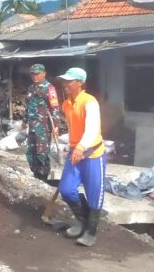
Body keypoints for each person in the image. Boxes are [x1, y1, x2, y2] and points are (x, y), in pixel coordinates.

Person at [56, 67, 107, 247]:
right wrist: (71, 144)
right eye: (65, 81)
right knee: (67, 189)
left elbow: (92, 129)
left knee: (94, 195)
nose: (65, 84)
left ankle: (91, 231)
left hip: (93, 154)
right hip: (75, 152)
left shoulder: (89, 102)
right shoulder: (67, 104)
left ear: (79, 83)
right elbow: (72, 128)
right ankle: (82, 220)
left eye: (69, 81)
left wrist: (81, 146)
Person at [23, 64, 62, 181]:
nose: (34, 76)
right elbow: (28, 106)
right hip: (32, 126)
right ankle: (36, 172)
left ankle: (43, 175)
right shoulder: (31, 88)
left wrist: (55, 126)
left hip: (44, 126)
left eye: (37, 73)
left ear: (43, 73)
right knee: (31, 151)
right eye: (32, 74)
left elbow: (55, 108)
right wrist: (25, 120)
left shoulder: (49, 88)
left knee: (42, 152)